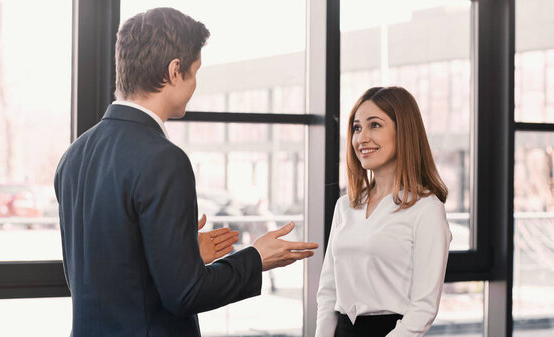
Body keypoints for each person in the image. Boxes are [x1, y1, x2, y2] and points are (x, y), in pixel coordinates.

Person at [54, 7, 318, 337]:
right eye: (195, 72)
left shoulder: (72, 157)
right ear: (175, 70)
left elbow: (107, 271)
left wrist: (182, 254)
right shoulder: (164, 159)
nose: (195, 85)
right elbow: (185, 294)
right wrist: (256, 258)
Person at [315, 87, 452, 337]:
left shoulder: (426, 209)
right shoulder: (345, 206)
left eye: (374, 125)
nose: (361, 138)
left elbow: (423, 308)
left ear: (404, 132)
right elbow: (327, 292)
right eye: (357, 128)